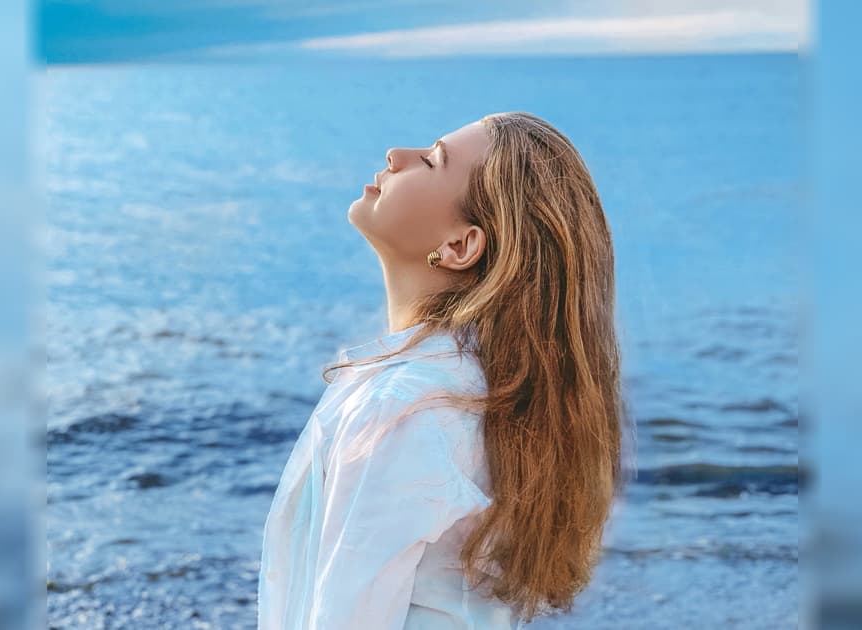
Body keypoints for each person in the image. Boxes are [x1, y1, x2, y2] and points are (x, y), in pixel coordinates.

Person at [257, 111, 634, 629]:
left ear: (460, 245)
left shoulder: (406, 408)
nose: (397, 155)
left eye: (432, 161)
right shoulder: (480, 394)